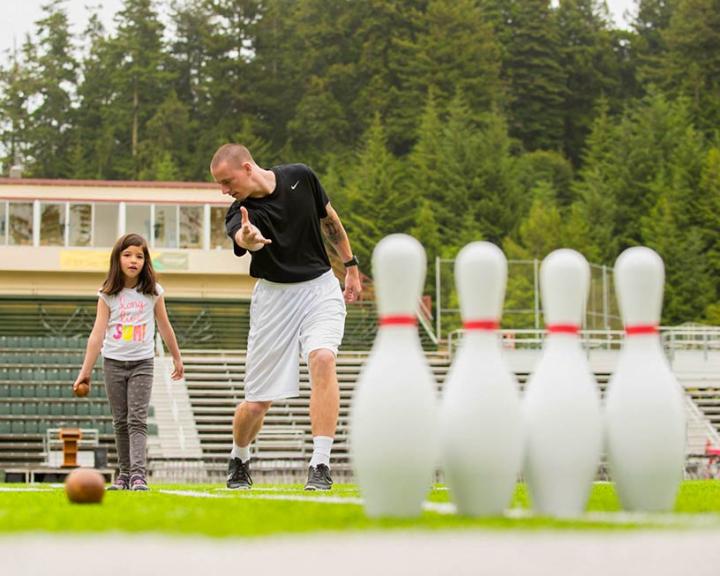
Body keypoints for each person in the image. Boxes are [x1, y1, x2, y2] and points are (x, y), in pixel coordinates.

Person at [210, 143, 362, 491]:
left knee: (323, 358)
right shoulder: (240, 212)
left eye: (226, 180)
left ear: (247, 167)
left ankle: (320, 464)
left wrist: (350, 265)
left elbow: (330, 220)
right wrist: (247, 238)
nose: (223, 190)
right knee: (257, 401)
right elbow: (241, 237)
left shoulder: (301, 177)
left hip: (320, 288)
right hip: (273, 299)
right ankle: (239, 456)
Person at [73, 233, 184, 491]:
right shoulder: (107, 294)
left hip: (142, 363)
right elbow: (97, 334)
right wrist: (84, 373)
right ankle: (123, 475)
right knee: (120, 421)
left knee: (137, 419)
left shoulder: (153, 292)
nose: (133, 260)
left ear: (145, 262)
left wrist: (176, 357)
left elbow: (165, 326)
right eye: (127, 255)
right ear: (118, 259)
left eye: (139, 256)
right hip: (112, 362)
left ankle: (138, 475)